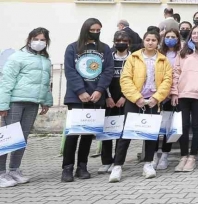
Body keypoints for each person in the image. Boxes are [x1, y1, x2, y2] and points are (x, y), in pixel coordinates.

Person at [109, 29, 172, 182]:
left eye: (154, 40)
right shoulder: (134, 58)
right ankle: (117, 166)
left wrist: (156, 98)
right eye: (148, 40)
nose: (150, 42)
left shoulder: (163, 60)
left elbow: (167, 81)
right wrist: (136, 98)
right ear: (143, 41)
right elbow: (125, 79)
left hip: (152, 101)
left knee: (151, 134)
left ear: (158, 42)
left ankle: (148, 164)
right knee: (126, 133)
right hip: (134, 100)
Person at [62, 18, 114, 182]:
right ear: (85, 29)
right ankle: (67, 168)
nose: (96, 33)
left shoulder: (105, 49)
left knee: (87, 134)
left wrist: (99, 90)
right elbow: (70, 71)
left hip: (95, 97)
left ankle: (82, 166)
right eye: (93, 30)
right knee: (73, 134)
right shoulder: (72, 48)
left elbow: (108, 71)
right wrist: (80, 91)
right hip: (76, 97)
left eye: (99, 30)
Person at [0, 28, 52, 186]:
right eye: (36, 38)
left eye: (43, 40)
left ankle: (14, 170)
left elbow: (46, 83)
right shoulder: (17, 57)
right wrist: (3, 104)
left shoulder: (45, 60)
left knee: (22, 138)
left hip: (32, 103)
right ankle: (1, 173)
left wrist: (46, 101)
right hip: (15, 102)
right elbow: (7, 80)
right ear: (29, 39)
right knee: (8, 137)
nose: (39, 42)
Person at [171, 25, 198, 173]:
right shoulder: (183, 52)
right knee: (183, 126)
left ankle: (192, 157)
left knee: (197, 127)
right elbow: (176, 72)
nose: (196, 35)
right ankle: (183, 156)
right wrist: (174, 92)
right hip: (183, 93)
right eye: (194, 33)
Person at [97, 32, 131, 174]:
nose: (120, 42)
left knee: (121, 131)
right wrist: (107, 97)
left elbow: (135, 80)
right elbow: (102, 77)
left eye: (123, 40)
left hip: (126, 99)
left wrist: (124, 97)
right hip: (108, 99)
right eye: (118, 40)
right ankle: (106, 161)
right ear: (114, 42)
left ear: (128, 43)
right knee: (107, 130)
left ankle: (118, 160)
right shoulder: (107, 57)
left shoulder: (133, 58)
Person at [153, 29, 180, 170]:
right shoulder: (158, 53)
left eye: (173, 37)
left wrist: (172, 91)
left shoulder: (181, 54)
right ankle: (153, 155)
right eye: (168, 37)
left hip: (172, 94)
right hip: (157, 94)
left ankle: (165, 155)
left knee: (168, 126)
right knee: (156, 126)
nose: (170, 39)